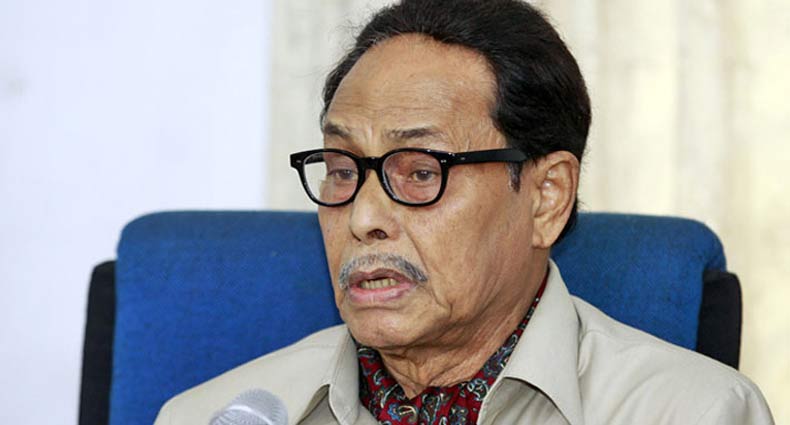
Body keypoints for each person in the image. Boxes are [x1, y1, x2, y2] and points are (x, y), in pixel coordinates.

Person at [155, 1, 774, 424]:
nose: (363, 217)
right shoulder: (216, 415)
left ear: (546, 197)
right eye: (343, 170)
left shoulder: (694, 413)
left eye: (421, 172)